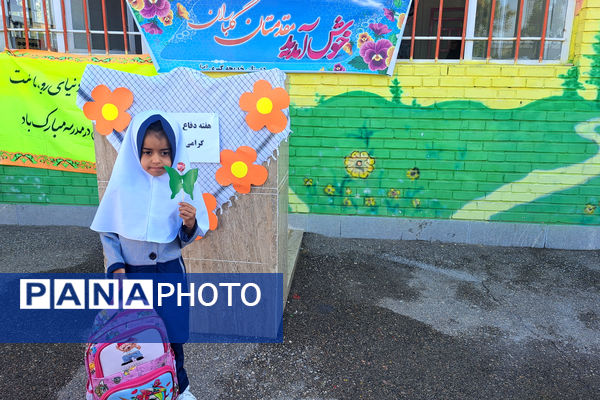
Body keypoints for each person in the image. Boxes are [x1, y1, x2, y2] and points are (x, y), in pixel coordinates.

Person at [91, 110, 209, 400]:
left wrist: (190, 222)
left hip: (169, 275)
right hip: (132, 276)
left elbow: (184, 238)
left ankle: (179, 387)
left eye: (165, 152)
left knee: (171, 336)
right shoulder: (122, 187)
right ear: (136, 152)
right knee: (134, 337)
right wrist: (117, 269)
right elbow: (108, 231)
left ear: (175, 153)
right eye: (148, 152)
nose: (156, 160)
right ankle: (137, 386)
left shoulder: (181, 189)